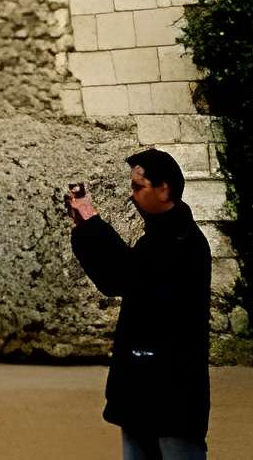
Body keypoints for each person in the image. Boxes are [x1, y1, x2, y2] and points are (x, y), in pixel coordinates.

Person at [68, 149, 213, 460]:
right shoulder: (159, 239)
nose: (132, 196)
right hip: (140, 382)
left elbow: (128, 276)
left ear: (164, 189)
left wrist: (91, 223)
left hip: (172, 387)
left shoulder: (185, 244)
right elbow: (122, 277)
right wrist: (88, 223)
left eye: (138, 187)